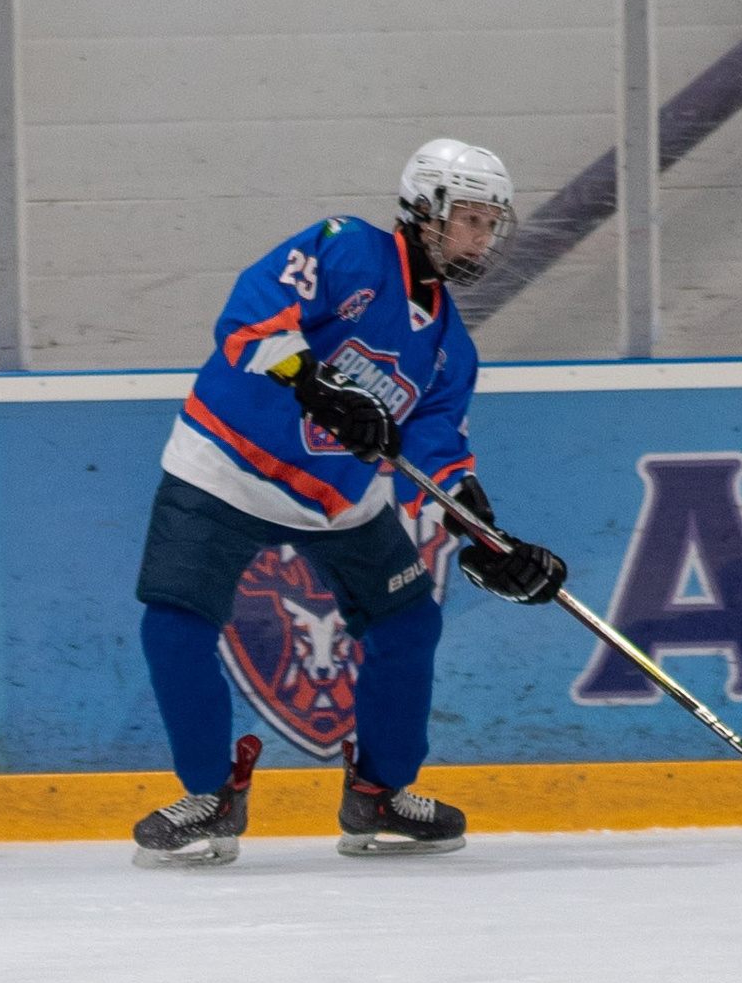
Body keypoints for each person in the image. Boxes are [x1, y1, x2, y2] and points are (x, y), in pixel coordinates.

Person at [129, 139, 569, 868]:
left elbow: (434, 449)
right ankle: (210, 795)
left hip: (338, 501)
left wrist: (483, 532)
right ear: (424, 210)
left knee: (408, 625)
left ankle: (379, 794)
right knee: (174, 623)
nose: (482, 238)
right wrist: (314, 381)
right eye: (470, 219)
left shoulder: (451, 348)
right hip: (224, 466)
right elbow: (252, 313)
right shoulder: (347, 249)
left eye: (491, 224)